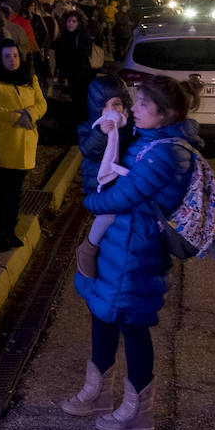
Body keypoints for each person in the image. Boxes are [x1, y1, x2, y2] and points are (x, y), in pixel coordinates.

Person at [63, 75, 201, 430]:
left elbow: (123, 196)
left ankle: (139, 410)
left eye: (141, 104)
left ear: (165, 113)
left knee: (133, 324)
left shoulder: (169, 152)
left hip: (136, 252)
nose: (133, 108)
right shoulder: (147, 140)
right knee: (102, 312)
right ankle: (98, 393)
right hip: (118, 244)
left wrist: (90, 201)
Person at [0, 39, 46, 252]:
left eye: (15, 55)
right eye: (7, 56)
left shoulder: (29, 78)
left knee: (16, 190)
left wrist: (31, 114)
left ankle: (10, 230)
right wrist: (17, 116)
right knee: (0, 190)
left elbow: (41, 103)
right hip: (1, 143)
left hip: (24, 143)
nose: (12, 60)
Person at [74, 75, 135, 279]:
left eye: (116, 104)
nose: (112, 111)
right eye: (105, 106)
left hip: (122, 183)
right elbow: (89, 151)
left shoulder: (131, 126)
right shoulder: (88, 127)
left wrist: (124, 127)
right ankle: (89, 247)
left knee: (120, 227)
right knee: (108, 215)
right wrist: (101, 133)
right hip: (98, 184)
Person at [54, 9, 95, 110]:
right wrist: (61, 74)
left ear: (79, 23)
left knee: (81, 99)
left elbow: (84, 55)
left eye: (74, 21)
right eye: (69, 21)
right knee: (75, 98)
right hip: (70, 74)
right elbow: (60, 57)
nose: (70, 24)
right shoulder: (64, 36)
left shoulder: (82, 35)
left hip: (82, 74)